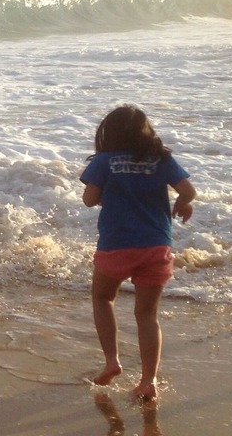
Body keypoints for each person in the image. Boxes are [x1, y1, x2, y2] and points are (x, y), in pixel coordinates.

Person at [80, 105, 196, 402]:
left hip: (116, 245)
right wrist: (182, 203)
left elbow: (89, 199)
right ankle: (148, 381)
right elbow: (188, 191)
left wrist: (108, 194)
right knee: (147, 314)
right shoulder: (161, 159)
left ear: (108, 133)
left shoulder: (104, 161)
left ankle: (112, 361)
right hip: (156, 246)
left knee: (103, 298)